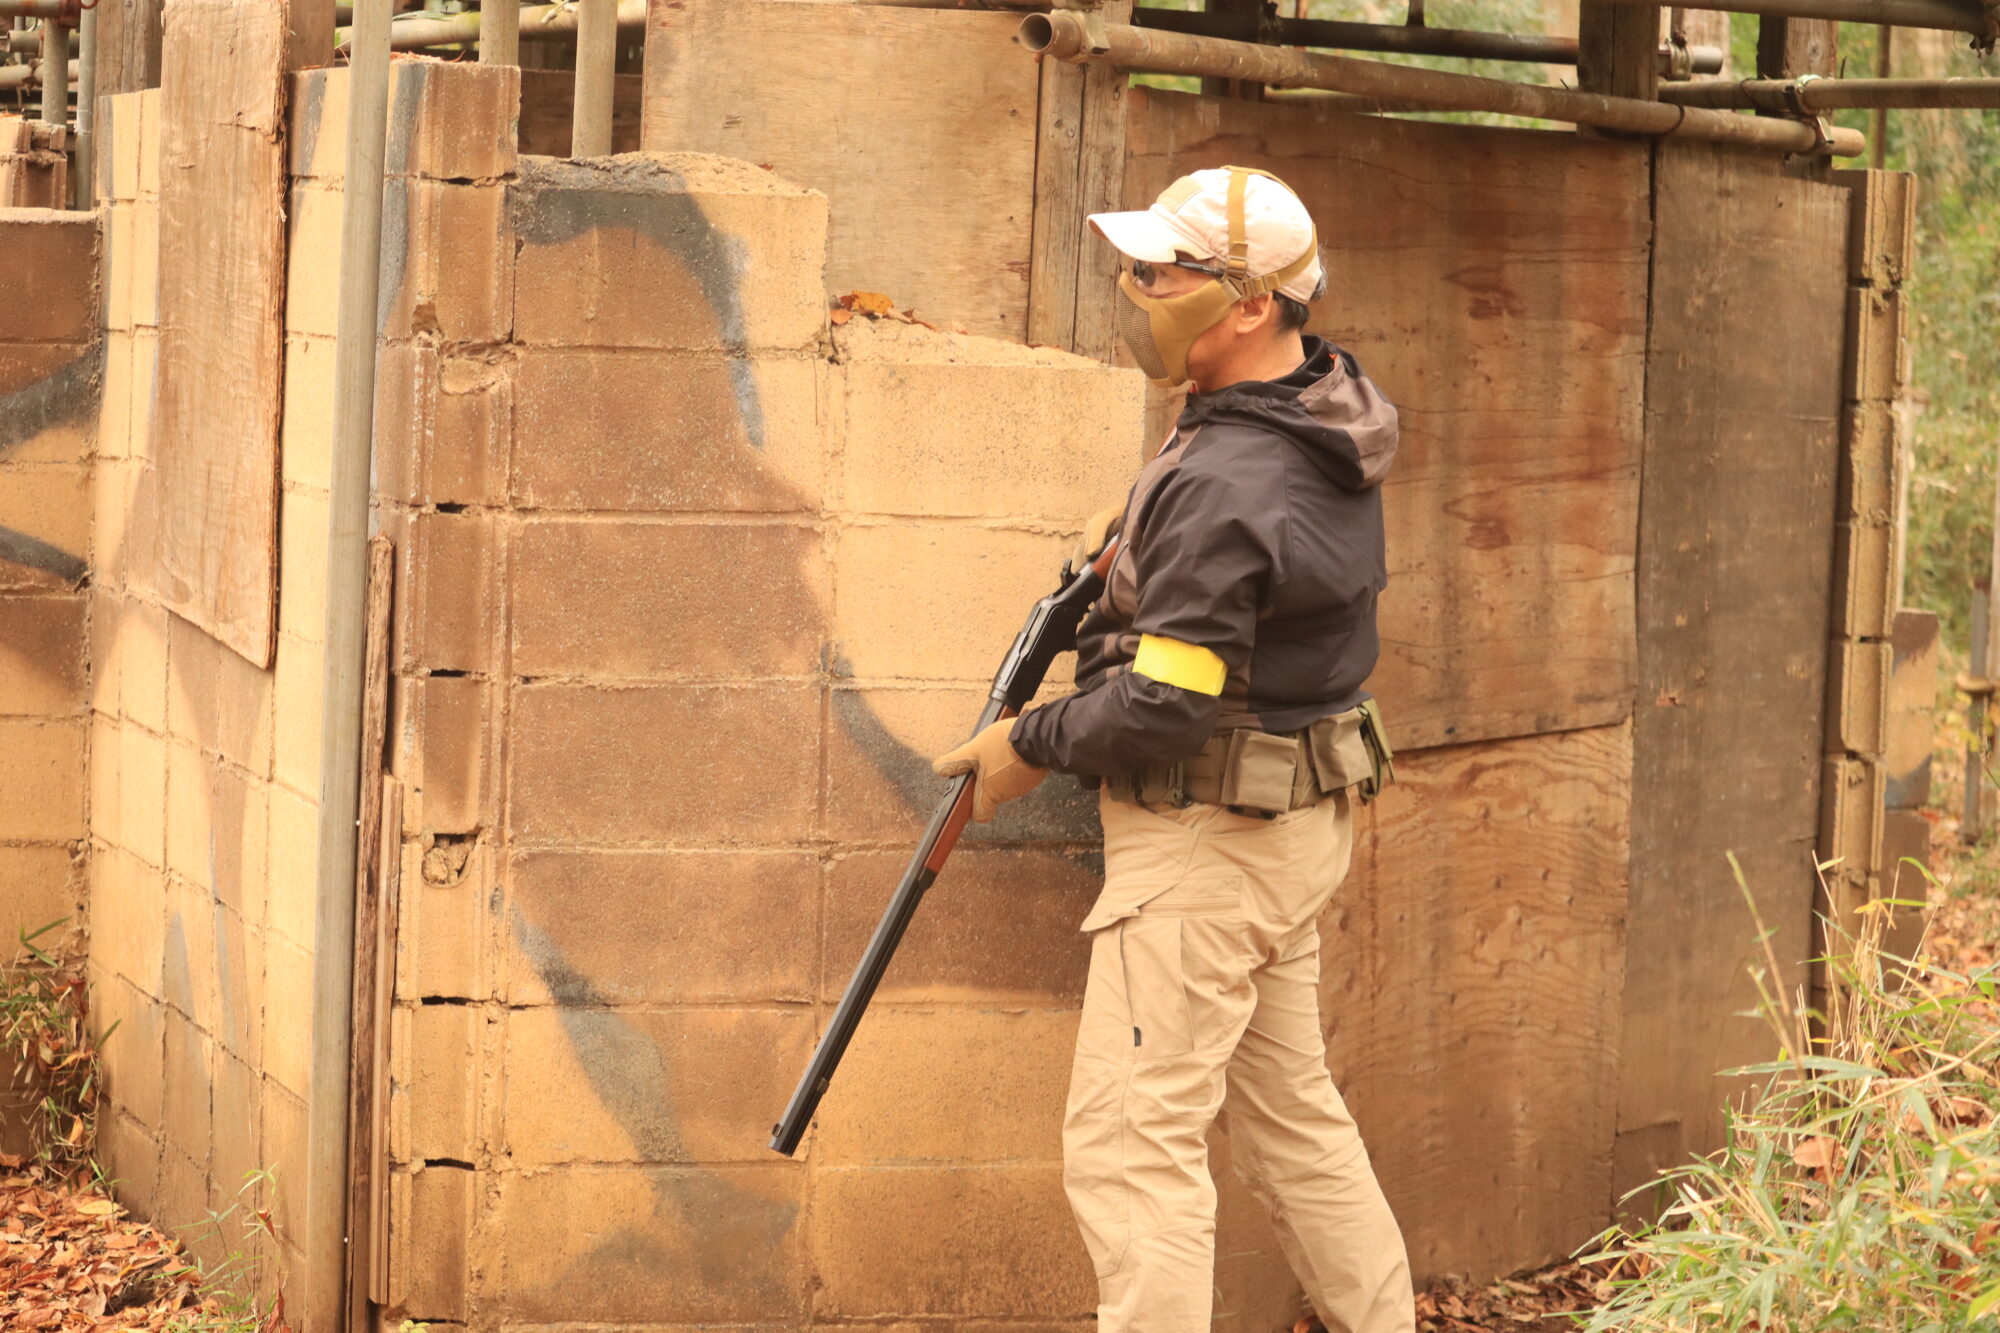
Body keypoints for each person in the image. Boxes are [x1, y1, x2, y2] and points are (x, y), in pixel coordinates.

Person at [933, 165, 1417, 1333]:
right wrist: (1144, 530)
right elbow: (1252, 577)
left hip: (1205, 847)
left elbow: (1163, 704)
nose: (1135, 289)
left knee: (1130, 1149)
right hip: (1285, 827)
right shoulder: (1316, 411)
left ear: (1247, 303)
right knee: (1293, 1124)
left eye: (1160, 273)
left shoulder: (1224, 474)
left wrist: (1025, 743)